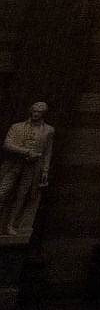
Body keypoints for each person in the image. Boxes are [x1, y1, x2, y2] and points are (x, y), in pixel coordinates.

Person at [0, 101, 54, 235]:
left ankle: (11, 224)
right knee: (2, 192)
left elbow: (47, 151)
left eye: (39, 112)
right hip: (14, 164)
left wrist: (45, 170)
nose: (36, 114)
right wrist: (26, 152)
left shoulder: (48, 130)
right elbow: (7, 144)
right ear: (30, 111)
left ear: (43, 114)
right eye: (34, 111)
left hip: (32, 168)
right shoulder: (17, 127)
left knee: (22, 196)